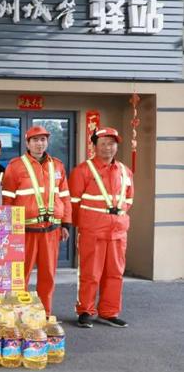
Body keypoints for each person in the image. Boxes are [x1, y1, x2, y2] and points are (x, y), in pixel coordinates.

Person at [1, 126, 72, 316]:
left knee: (48, 275)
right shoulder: (15, 166)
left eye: (42, 139)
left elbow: (65, 196)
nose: (39, 143)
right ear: (27, 143)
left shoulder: (57, 165)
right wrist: (8, 228)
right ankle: (18, 314)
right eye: (35, 140)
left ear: (47, 142)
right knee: (20, 275)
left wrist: (66, 223)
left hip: (51, 230)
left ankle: (44, 313)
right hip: (25, 230)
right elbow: (6, 199)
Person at [69, 127, 134, 328]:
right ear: (94, 146)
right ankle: (86, 310)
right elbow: (73, 202)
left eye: (112, 143)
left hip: (118, 231)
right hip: (92, 231)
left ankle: (109, 312)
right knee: (90, 273)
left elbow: (128, 199)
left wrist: (115, 219)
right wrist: (88, 223)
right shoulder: (82, 170)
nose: (108, 147)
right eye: (103, 143)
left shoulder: (125, 171)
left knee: (115, 273)